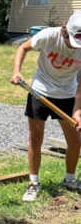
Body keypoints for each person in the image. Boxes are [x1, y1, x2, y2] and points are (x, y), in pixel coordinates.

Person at [11, 11, 81, 202]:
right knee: (35, 139)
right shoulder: (49, 35)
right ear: (66, 31)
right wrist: (17, 71)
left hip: (67, 94)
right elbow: (23, 48)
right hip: (40, 92)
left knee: (75, 142)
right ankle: (33, 183)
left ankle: (70, 179)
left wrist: (78, 111)